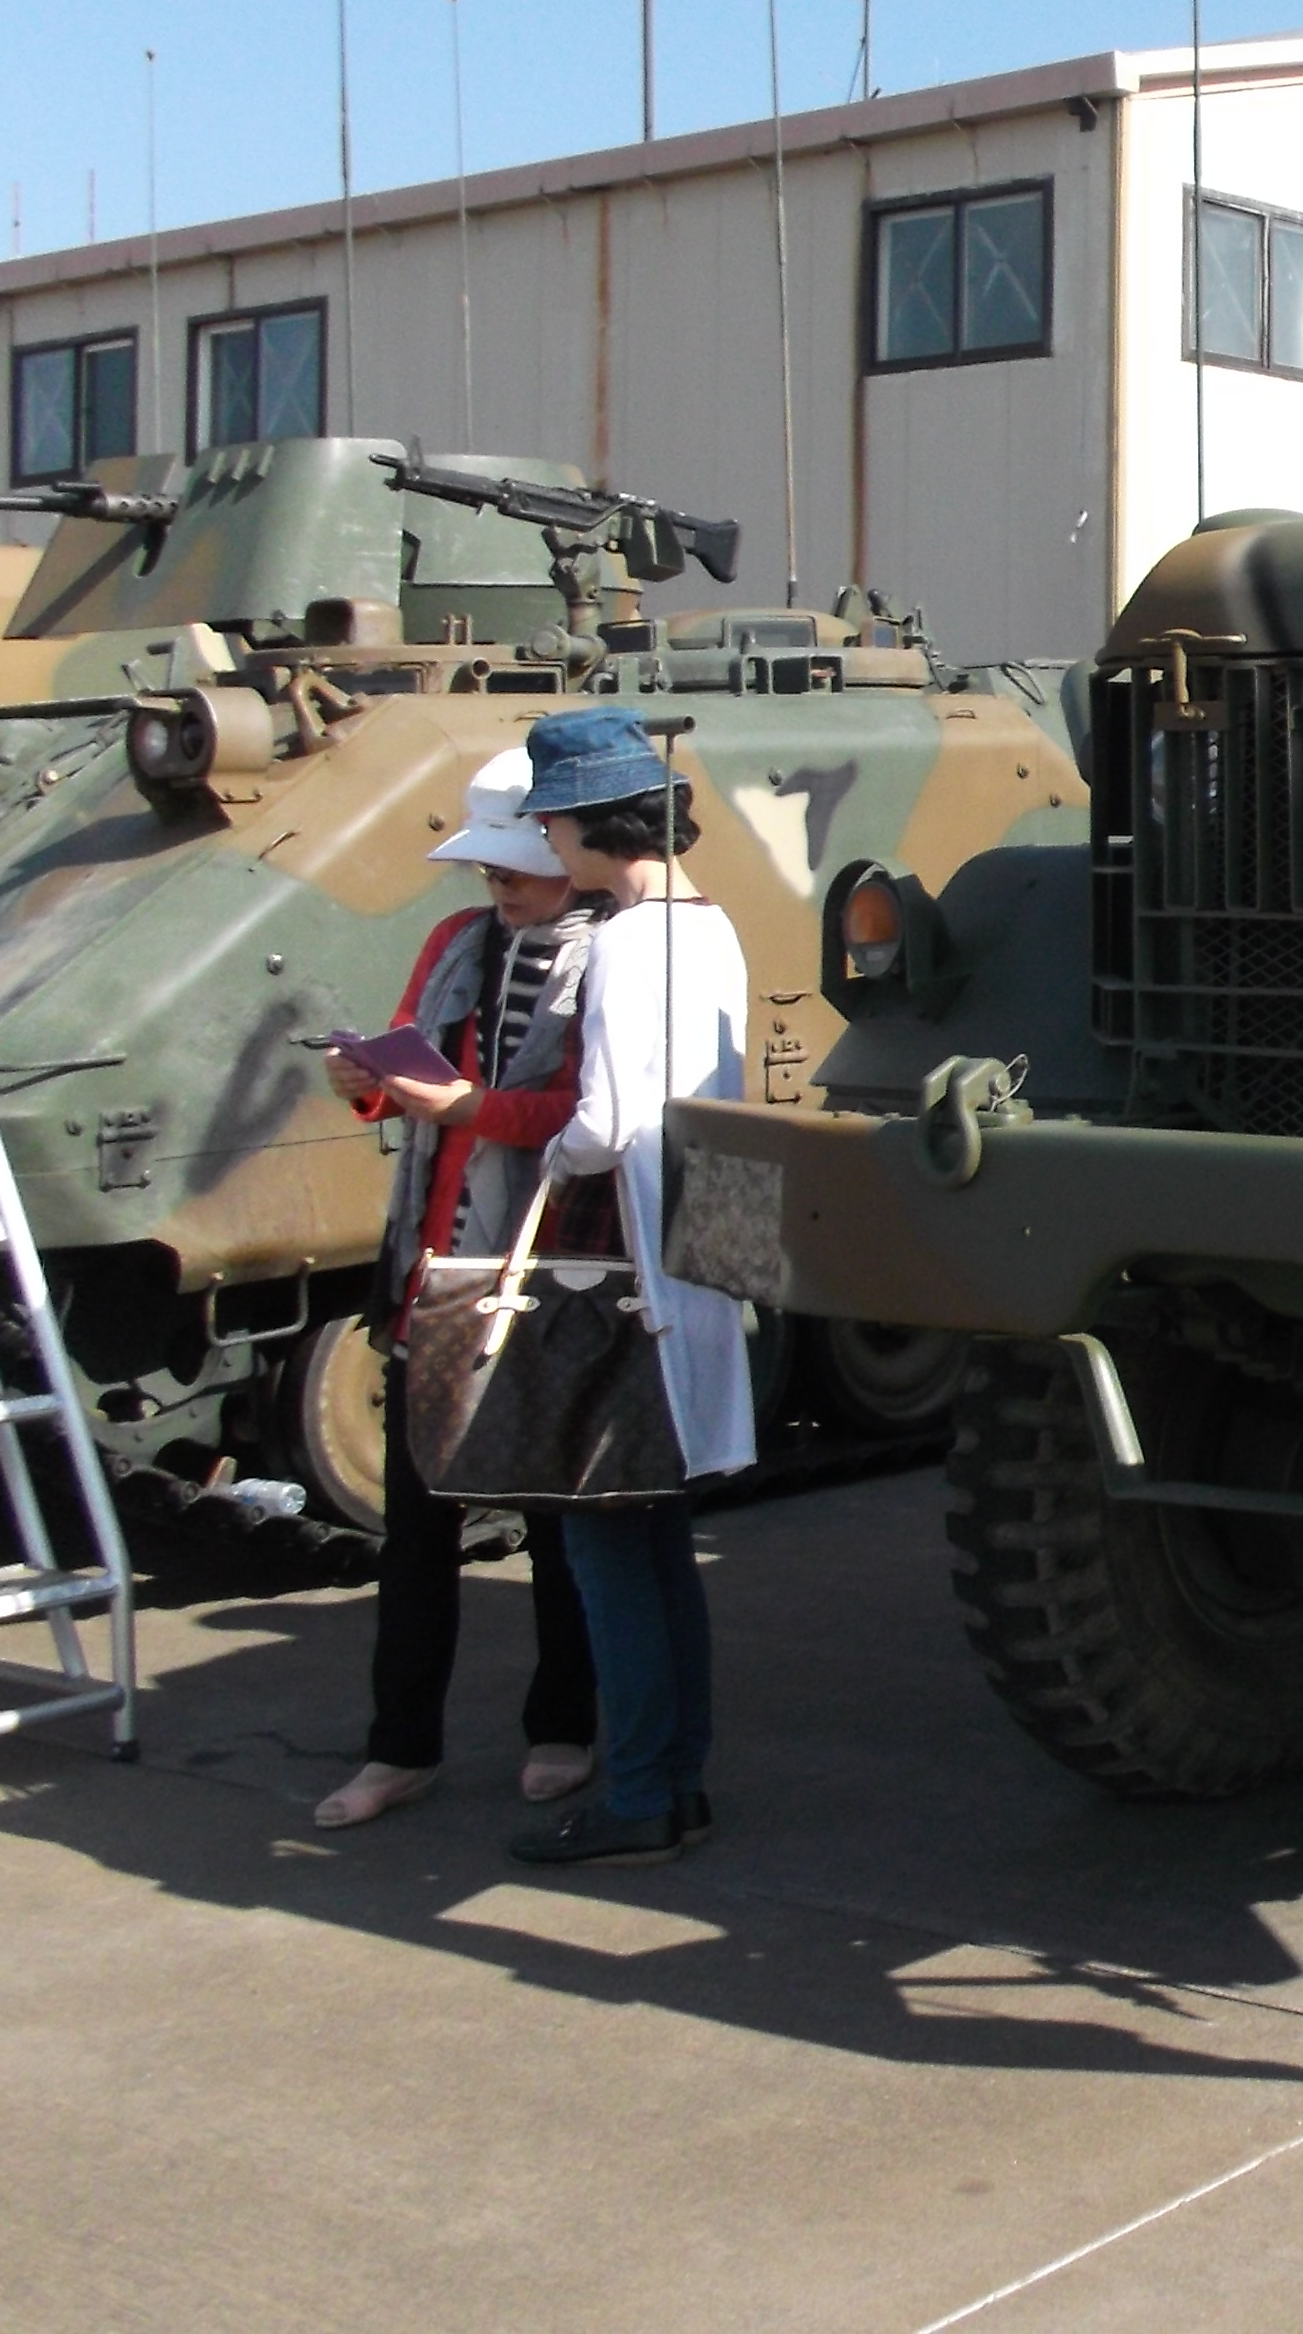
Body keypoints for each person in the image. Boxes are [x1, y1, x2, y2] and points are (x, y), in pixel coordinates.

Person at [311, 753, 602, 1830]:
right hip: (431, 1271)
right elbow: (416, 1079)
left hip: (541, 1270)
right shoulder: (454, 945)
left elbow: (583, 1115)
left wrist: (460, 1106)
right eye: (493, 874)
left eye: (518, 872)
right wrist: (369, 1087)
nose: (501, 890)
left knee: (561, 1531)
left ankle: (563, 1725)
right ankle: (399, 1748)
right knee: (417, 1534)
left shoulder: (610, 958)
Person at [508, 706, 755, 1870]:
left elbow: (604, 1120)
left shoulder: (614, 942)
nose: (546, 847)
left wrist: (542, 1164)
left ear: (592, 824)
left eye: (552, 824)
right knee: (657, 1542)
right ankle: (674, 1781)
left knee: (609, 1546)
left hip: (622, 1262)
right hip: (699, 1249)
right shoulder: (714, 928)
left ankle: (643, 1794)